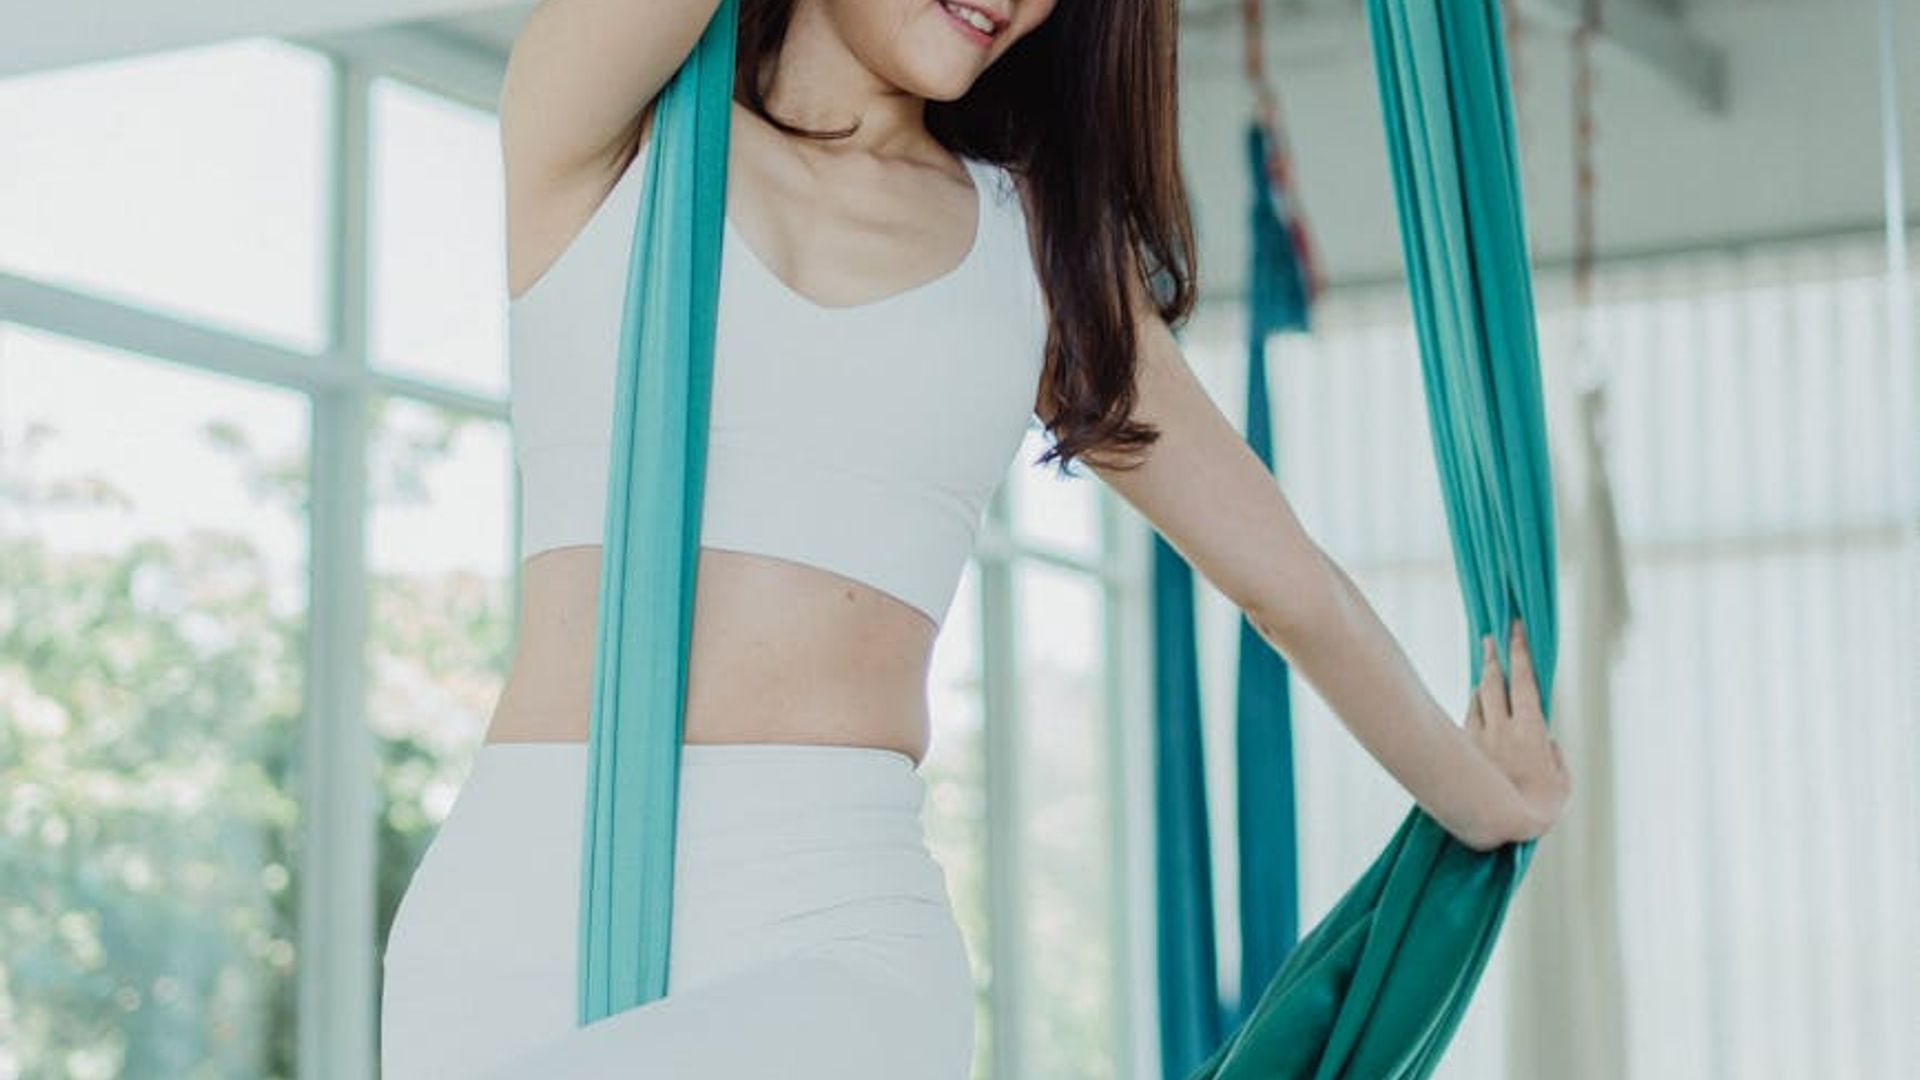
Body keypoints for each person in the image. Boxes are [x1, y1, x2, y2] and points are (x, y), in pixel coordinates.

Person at [378, 0, 1572, 1076]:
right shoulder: (606, 123)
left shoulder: (1040, 252)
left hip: (829, 924)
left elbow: (1289, 588)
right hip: (517, 897)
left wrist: (1486, 801)